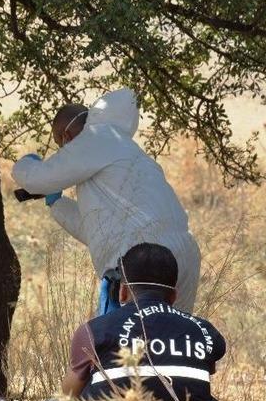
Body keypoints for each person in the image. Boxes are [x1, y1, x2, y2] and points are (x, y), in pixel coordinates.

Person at [12, 88, 200, 312]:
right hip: (185, 256)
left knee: (120, 341)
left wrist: (26, 163)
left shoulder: (95, 138)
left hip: (144, 260)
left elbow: (36, 178)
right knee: (173, 338)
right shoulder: (129, 151)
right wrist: (57, 204)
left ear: (67, 137)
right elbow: (100, 230)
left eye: (59, 144)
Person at [35, 243, 237, 401]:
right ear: (173, 296)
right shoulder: (205, 331)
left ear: (122, 292)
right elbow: (188, 387)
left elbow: (68, 396)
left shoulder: (94, 331)